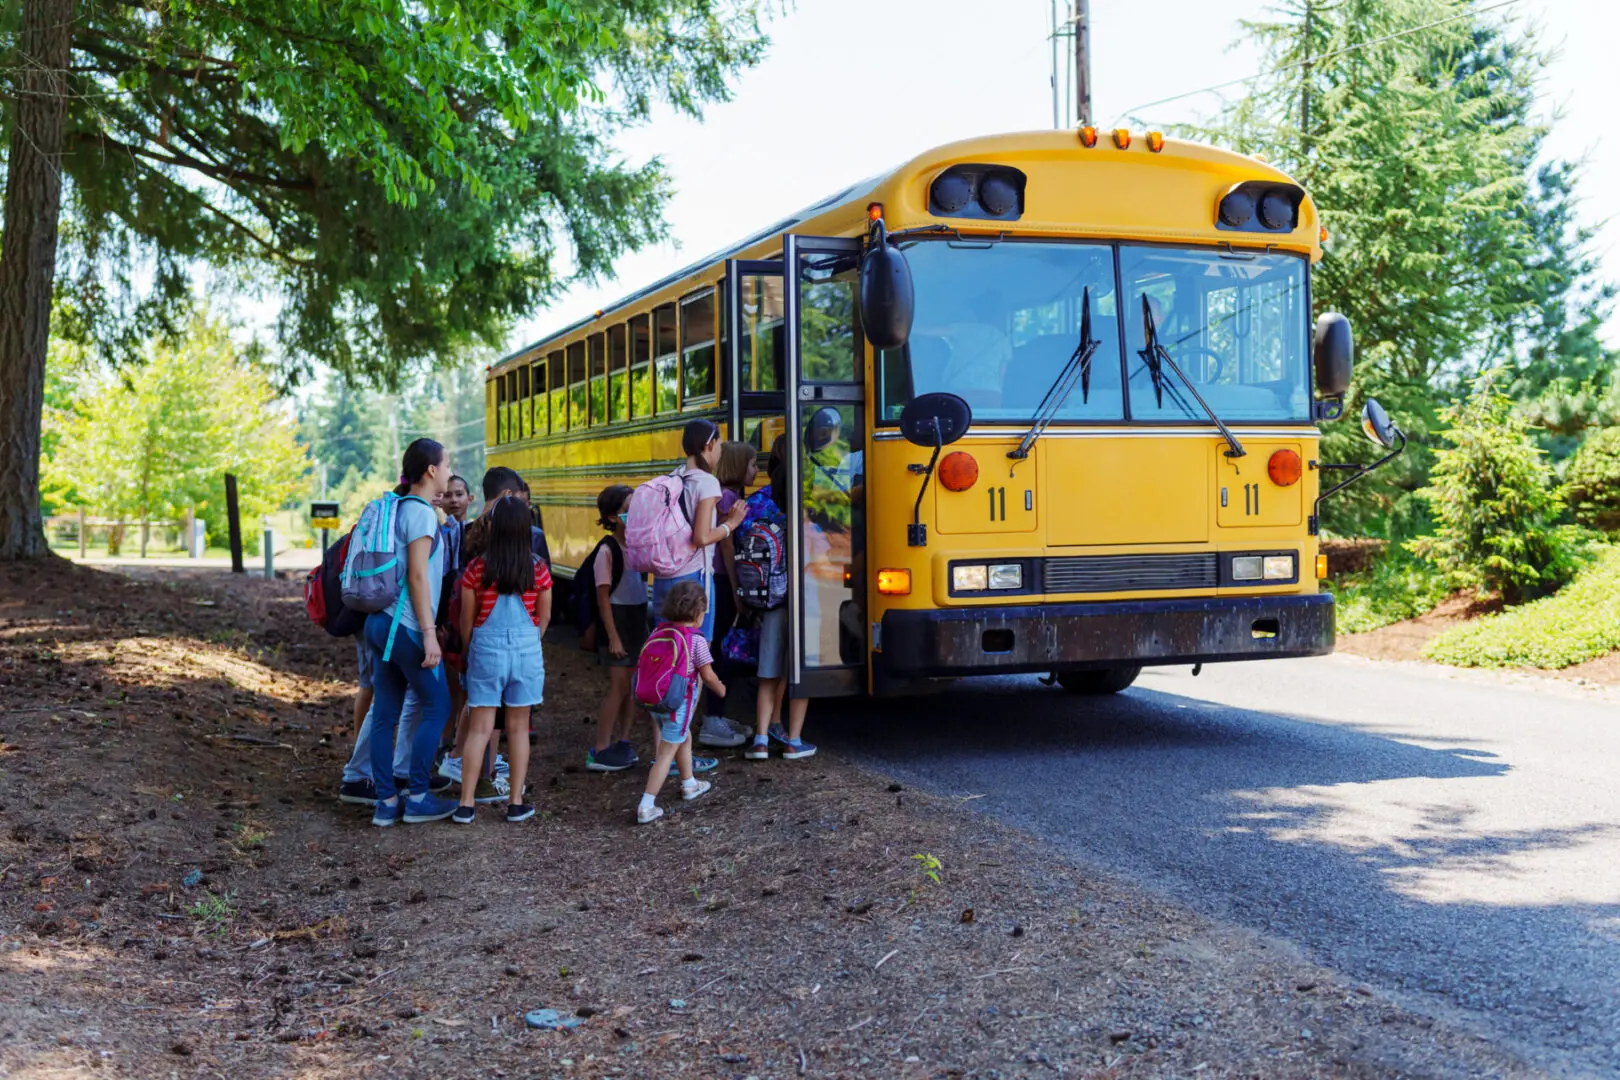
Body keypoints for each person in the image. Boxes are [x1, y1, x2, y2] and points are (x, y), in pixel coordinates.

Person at [366, 438, 460, 826]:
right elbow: (418, 574)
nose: (451, 470)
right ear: (431, 471)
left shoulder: (401, 507)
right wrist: (428, 632)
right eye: (447, 463)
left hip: (378, 622)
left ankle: (386, 802)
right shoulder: (419, 514)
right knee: (438, 704)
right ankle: (419, 796)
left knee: (384, 713)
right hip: (404, 626)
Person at [645, 419, 745, 773]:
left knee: (665, 661)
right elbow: (702, 537)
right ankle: (677, 756)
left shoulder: (674, 476)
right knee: (691, 668)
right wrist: (730, 525)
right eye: (719, 445)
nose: (720, 452)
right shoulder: (705, 481)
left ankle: (665, 754)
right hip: (692, 580)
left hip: (664, 579)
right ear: (709, 444)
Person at [453, 496, 551, 824]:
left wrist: (471, 649)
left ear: (492, 526)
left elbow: (467, 621)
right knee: (519, 728)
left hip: (486, 649)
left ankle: (466, 804)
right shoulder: (537, 568)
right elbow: (544, 617)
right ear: (526, 528)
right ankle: (516, 802)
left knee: (479, 729)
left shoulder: (477, 568)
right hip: (526, 650)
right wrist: (528, 643)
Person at [742, 436, 815, 762]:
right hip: (805, 605)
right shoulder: (809, 525)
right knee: (801, 672)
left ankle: (759, 740)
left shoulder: (768, 518)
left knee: (768, 672)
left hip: (773, 603)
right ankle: (793, 740)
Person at [636, 582, 721, 825]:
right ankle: (647, 804)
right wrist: (721, 689)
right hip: (678, 706)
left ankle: (689, 783)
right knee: (666, 753)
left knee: (683, 738)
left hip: (656, 702)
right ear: (697, 614)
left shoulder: (658, 632)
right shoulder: (696, 641)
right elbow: (708, 674)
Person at [696, 441, 759, 749]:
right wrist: (737, 589)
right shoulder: (729, 499)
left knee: (718, 645)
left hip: (718, 580)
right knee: (719, 647)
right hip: (721, 580)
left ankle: (716, 715)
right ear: (737, 466)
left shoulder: (725, 495)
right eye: (752, 465)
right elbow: (727, 545)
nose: (756, 470)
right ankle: (713, 718)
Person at [585, 484, 645, 772]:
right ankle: (600, 747)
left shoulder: (638, 545)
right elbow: (603, 599)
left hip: (636, 621)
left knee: (632, 688)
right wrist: (612, 637)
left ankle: (623, 740)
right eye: (627, 511)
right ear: (611, 517)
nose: (634, 515)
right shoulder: (607, 551)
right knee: (619, 687)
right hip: (617, 623)